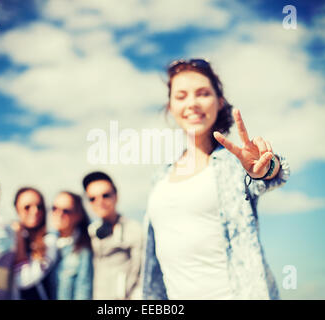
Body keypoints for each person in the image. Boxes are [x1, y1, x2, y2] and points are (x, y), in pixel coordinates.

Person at [142, 59, 290, 300]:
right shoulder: (160, 177)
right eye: (181, 96)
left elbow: (271, 175)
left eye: (203, 94)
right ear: (170, 106)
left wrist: (266, 166)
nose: (192, 103)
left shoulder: (233, 164)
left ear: (219, 102)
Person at [83, 171, 143, 300]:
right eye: (92, 198)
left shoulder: (134, 230)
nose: (100, 201)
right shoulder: (90, 232)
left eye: (105, 195)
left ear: (116, 196)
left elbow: (142, 274)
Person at [12, 187, 58, 300]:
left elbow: (23, 280)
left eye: (39, 206)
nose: (35, 211)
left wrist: (18, 238)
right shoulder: (10, 238)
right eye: (27, 207)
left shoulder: (50, 241)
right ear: (17, 210)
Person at [48, 191, 93, 300]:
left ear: (78, 216)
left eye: (66, 211)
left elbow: (83, 292)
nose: (59, 214)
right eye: (55, 208)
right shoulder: (46, 246)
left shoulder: (82, 252)